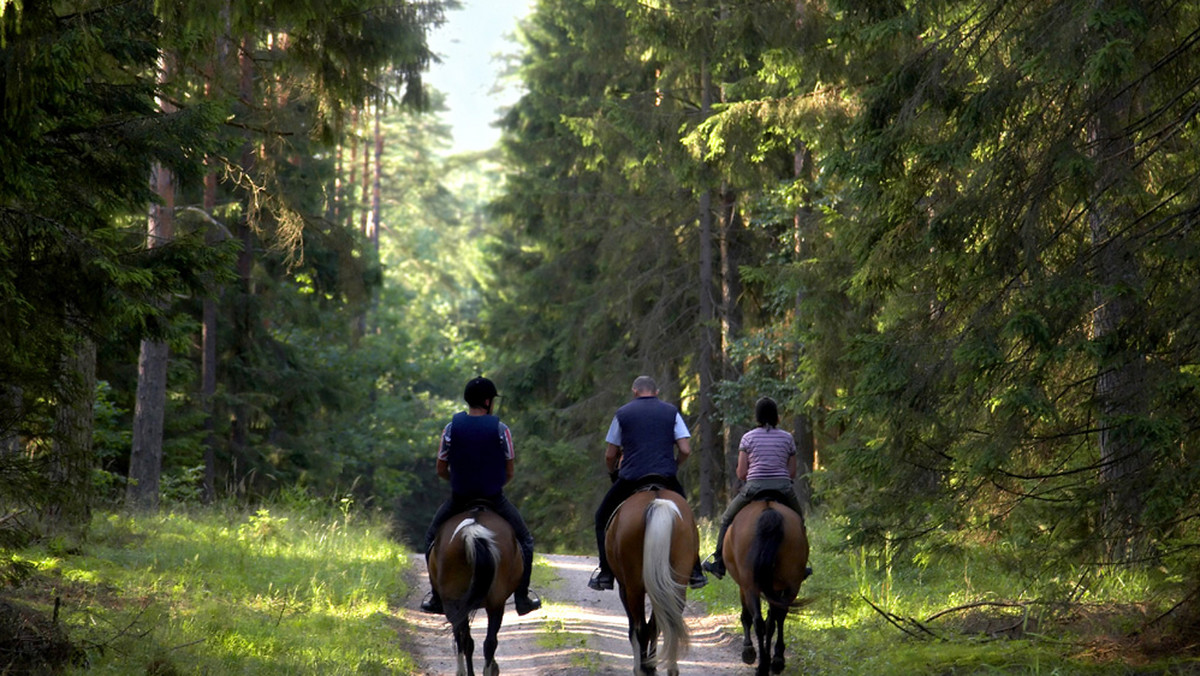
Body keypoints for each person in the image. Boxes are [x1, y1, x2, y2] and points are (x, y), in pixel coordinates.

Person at [420, 377, 542, 616]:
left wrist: (456, 482)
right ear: (487, 401)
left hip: (460, 498)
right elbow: (510, 470)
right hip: (494, 497)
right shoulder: (501, 429)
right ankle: (522, 597)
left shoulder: (450, 428)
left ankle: (436, 597)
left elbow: (440, 468)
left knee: (430, 539)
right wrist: (495, 485)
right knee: (525, 541)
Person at [588, 375, 707, 591]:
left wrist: (613, 472)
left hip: (632, 478)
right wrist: (674, 465)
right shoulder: (671, 412)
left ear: (634, 392)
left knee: (601, 517)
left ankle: (605, 573)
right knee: (687, 518)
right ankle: (696, 571)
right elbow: (685, 449)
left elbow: (610, 454)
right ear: (657, 392)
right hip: (665, 477)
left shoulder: (622, 414)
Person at [702, 396, 807, 580]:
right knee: (799, 520)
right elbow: (792, 472)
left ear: (757, 416)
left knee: (727, 518)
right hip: (782, 487)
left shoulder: (748, 438)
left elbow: (742, 473)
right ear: (776, 416)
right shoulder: (787, 438)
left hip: (754, 488)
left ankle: (719, 563)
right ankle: (802, 564)